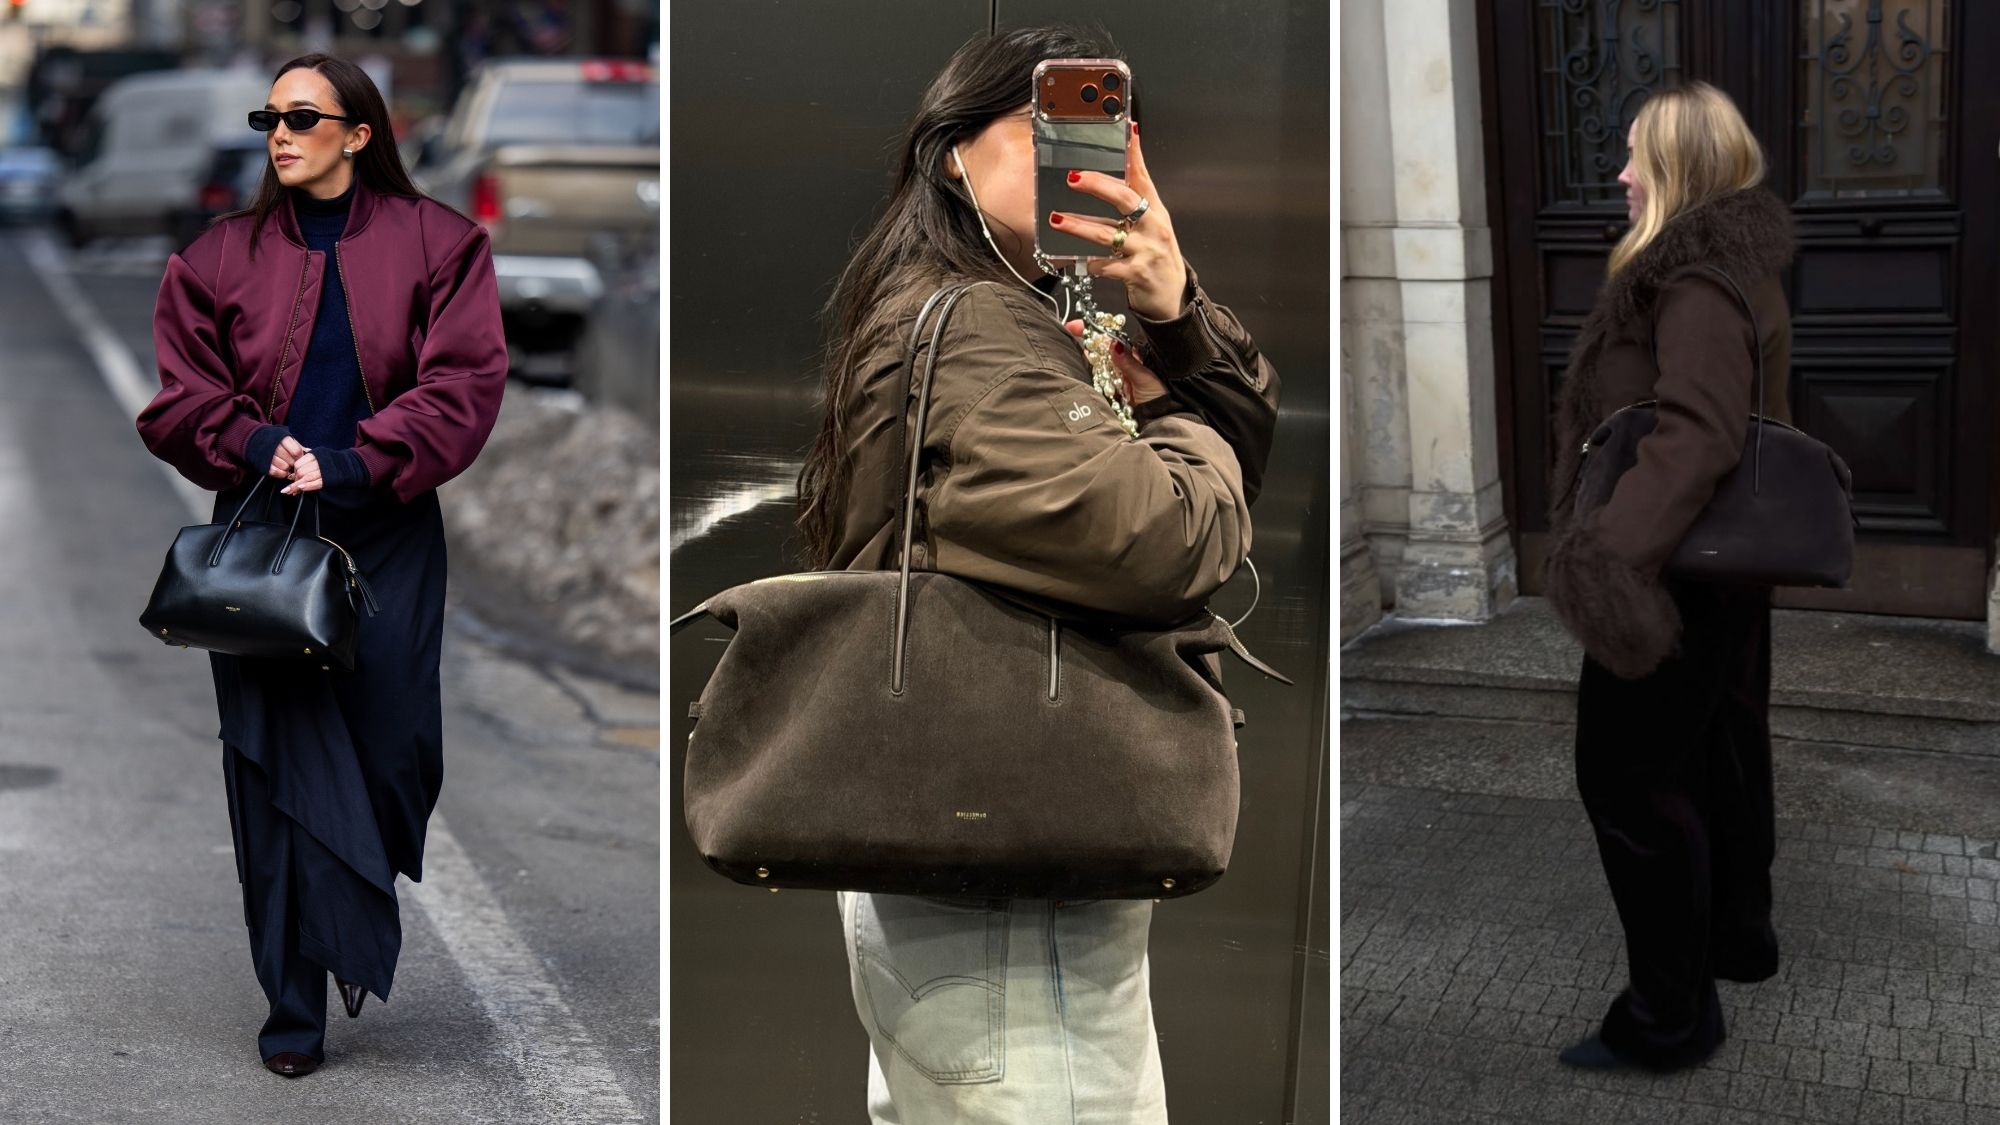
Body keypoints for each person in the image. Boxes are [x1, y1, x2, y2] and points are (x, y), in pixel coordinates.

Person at [791, 26, 1281, 1123]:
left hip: (983, 848)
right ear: (951, 153)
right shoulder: (978, 329)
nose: (1090, 162)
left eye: (1106, 134)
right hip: (1006, 874)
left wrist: (1171, 307)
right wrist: (1158, 404)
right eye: (1050, 130)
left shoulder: (1021, 313)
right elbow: (1172, 539)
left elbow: (1234, 451)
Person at [136, 54, 507, 1078]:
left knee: (392, 754)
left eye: (304, 117)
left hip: (384, 525)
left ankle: (349, 912)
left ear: (359, 133)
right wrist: (261, 446)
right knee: (275, 769)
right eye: (270, 116)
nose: (280, 133)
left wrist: (350, 460)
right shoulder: (217, 257)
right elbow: (177, 397)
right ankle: (291, 1005)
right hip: (261, 541)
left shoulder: (441, 243)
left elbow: (466, 383)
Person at [1542, 81, 1795, 1073]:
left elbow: (1694, 437)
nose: (1617, 173)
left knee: (1628, 781)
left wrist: (1609, 561)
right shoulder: (1730, 269)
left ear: (1677, 169)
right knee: (1722, 750)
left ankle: (1667, 1020)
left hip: (1667, 575)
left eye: (1636, 155)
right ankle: (1739, 936)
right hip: (1718, 566)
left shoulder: (1690, 284)